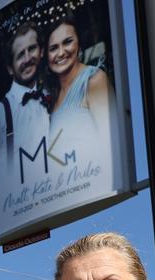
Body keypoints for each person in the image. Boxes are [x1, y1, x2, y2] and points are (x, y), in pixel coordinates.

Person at [0, 21, 50, 201]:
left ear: (41, 52)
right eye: (20, 55)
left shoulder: (55, 96)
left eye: (32, 49)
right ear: (10, 68)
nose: (28, 58)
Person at [46, 17, 115, 181]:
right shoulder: (52, 96)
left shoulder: (94, 80)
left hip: (95, 184)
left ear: (79, 45)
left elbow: (111, 143)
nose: (61, 52)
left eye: (68, 42)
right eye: (54, 48)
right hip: (65, 191)